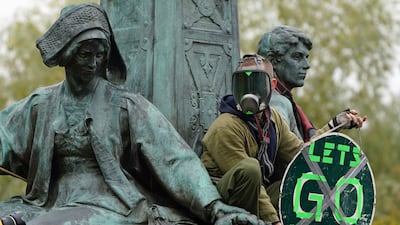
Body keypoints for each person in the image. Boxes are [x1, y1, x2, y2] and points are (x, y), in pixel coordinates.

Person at [0, 3, 265, 225]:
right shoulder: (41, 104)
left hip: (108, 204)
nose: (93, 63)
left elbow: (175, 160)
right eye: (84, 55)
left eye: (100, 55)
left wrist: (215, 208)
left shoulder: (125, 105)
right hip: (46, 201)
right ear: (66, 55)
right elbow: (4, 138)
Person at [200, 54, 365, 225]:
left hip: (256, 192)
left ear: (271, 85)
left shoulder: (272, 119)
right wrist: (275, 222)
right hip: (222, 197)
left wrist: (334, 125)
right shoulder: (225, 127)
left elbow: (303, 155)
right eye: (243, 83)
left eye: (256, 83)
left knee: (292, 187)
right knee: (250, 168)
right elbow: (251, 182)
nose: (249, 90)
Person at [257, 25, 366, 142]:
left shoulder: (281, 100)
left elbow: (301, 150)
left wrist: (335, 123)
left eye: (306, 57)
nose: (306, 65)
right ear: (272, 61)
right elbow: (296, 155)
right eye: (297, 57)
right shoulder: (277, 102)